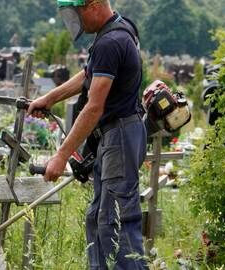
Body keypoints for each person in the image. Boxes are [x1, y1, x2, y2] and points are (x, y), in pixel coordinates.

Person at [27, 0, 148, 269]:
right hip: (117, 134)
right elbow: (88, 74)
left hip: (120, 135)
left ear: (93, 5)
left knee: (118, 223)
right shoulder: (119, 28)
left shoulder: (110, 41)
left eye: (76, 13)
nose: (75, 22)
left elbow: (94, 107)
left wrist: (60, 156)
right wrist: (50, 98)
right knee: (98, 217)